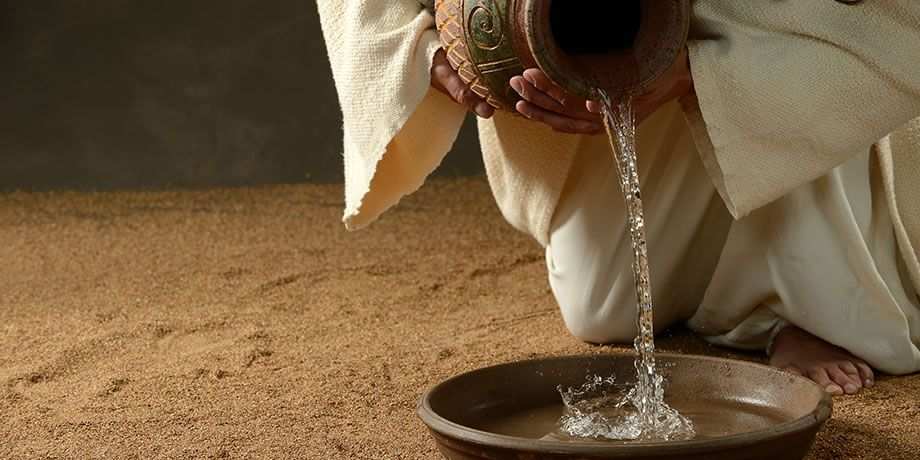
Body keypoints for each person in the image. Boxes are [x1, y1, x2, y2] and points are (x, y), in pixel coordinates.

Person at [318, 0, 920, 395]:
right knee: (606, 307)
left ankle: (804, 300)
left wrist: (695, 72)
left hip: (763, 22)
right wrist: (425, 49)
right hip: (576, 37)